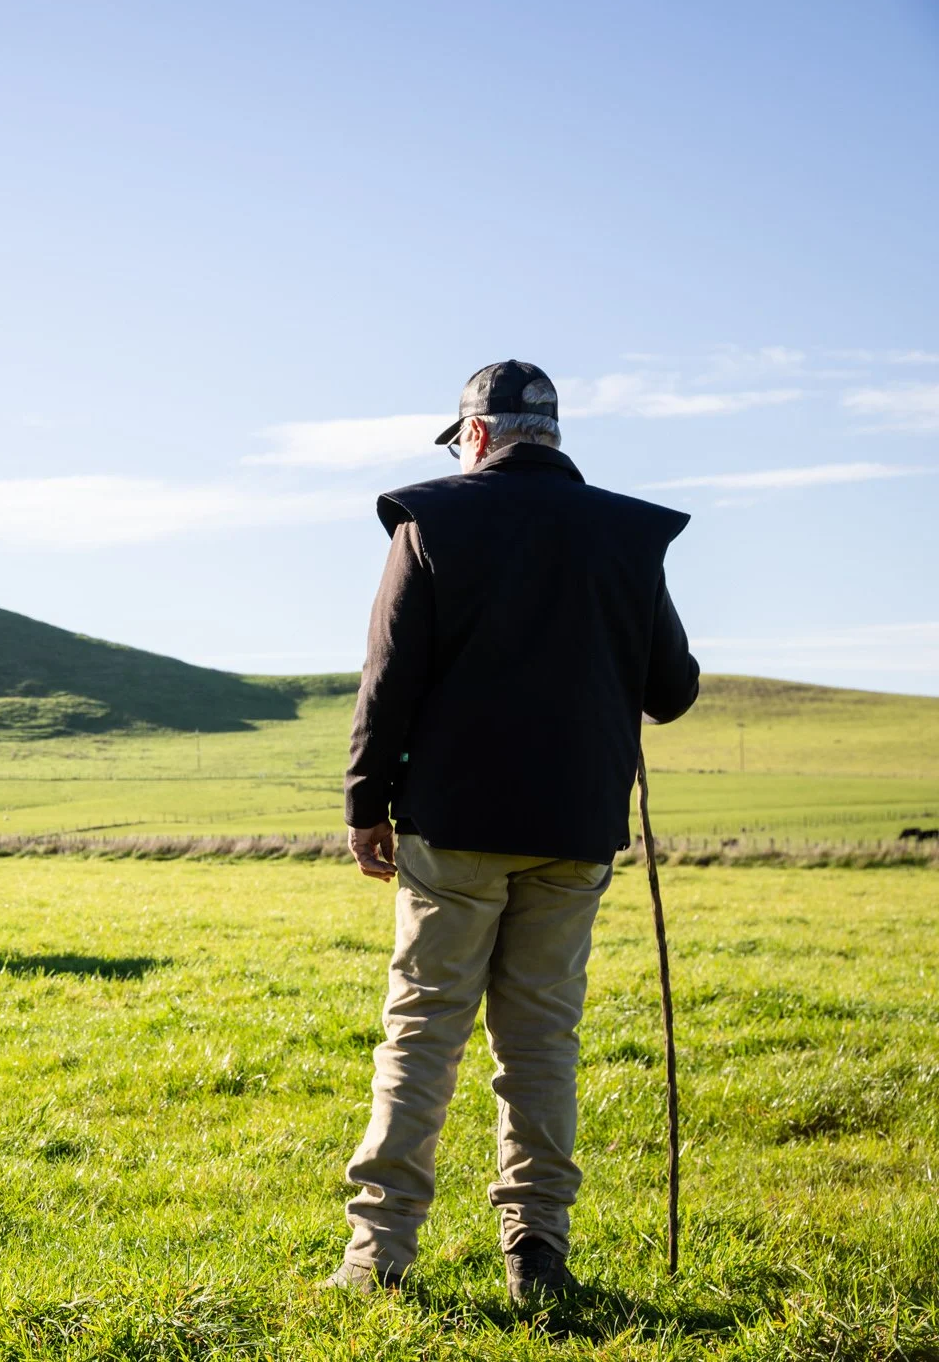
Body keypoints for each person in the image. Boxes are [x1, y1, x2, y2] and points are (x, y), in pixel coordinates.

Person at [327, 360, 699, 1304]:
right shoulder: (625, 535)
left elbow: (389, 678)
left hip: (453, 828)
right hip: (575, 832)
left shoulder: (432, 522)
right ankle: (538, 1249)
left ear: (477, 437)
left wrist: (366, 805)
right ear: (553, 435)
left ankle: (379, 1257)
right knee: (540, 1045)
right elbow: (674, 690)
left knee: (422, 1038)